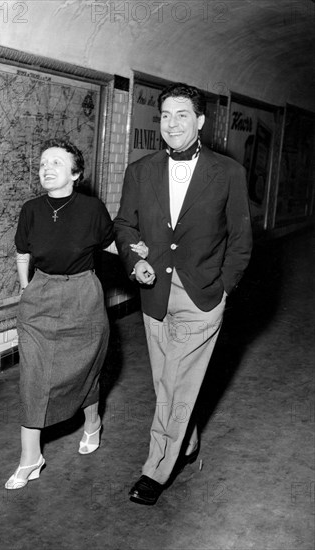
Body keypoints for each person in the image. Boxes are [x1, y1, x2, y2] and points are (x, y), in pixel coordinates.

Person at [114, 83, 253, 505]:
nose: (172, 124)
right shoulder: (140, 170)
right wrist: (131, 260)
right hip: (154, 294)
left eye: (182, 115)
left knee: (175, 381)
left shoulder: (227, 172)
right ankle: (187, 443)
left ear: (201, 121)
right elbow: (124, 225)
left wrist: (223, 288)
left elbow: (241, 240)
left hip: (201, 295)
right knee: (166, 384)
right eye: (166, 116)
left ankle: (156, 469)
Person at [5, 138, 114, 490]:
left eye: (55, 162)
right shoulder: (31, 209)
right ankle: (30, 457)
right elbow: (23, 252)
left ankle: (93, 422)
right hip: (40, 295)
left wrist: (141, 256)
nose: (46, 169)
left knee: (85, 367)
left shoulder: (93, 209)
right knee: (32, 376)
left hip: (83, 294)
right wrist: (27, 289)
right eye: (42, 164)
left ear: (75, 172)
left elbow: (113, 245)